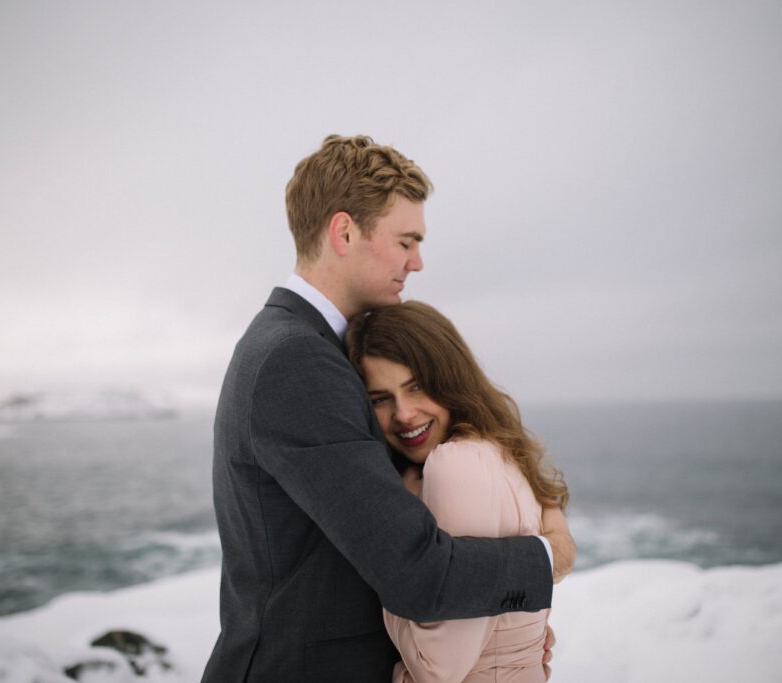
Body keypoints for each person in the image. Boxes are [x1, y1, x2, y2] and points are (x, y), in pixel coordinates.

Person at [201, 135, 575, 683]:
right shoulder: (297, 360)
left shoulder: (311, 348)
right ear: (344, 231)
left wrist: (503, 635)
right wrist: (548, 557)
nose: (418, 262)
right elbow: (415, 572)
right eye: (406, 240)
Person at [346, 300, 570, 682]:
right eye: (381, 399)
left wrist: (389, 560)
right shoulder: (495, 451)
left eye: (416, 387)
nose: (403, 414)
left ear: (449, 378)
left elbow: (437, 667)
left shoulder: (454, 466)